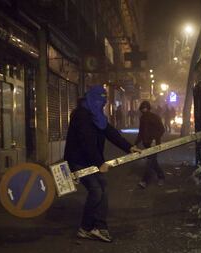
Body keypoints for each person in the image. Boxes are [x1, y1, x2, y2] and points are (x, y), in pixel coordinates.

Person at [64, 84, 141, 242]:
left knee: (102, 189)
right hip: (79, 160)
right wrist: (100, 163)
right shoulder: (82, 115)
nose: (103, 104)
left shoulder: (96, 115)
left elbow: (110, 132)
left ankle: (99, 227)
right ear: (92, 99)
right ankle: (86, 228)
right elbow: (87, 143)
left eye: (104, 101)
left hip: (91, 160)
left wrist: (129, 147)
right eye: (101, 100)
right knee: (96, 191)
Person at [135, 101, 166, 188]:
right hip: (146, 144)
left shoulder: (155, 117)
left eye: (145, 108)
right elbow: (141, 132)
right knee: (153, 162)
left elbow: (162, 130)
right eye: (143, 108)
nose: (144, 110)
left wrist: (154, 139)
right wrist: (136, 143)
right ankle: (161, 177)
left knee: (150, 162)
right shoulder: (142, 118)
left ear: (148, 108)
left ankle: (144, 181)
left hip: (154, 144)